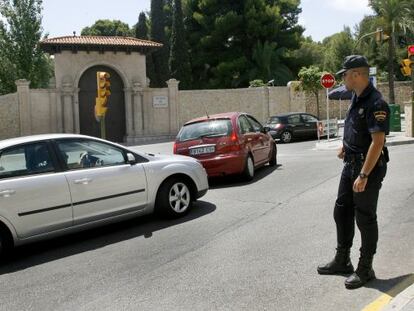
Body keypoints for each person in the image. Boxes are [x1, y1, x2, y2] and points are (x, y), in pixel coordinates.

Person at [317, 55, 390, 289]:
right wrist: (345, 146)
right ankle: (342, 260)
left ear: (357, 74)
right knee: (342, 211)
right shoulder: (356, 98)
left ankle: (365, 268)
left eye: (345, 74)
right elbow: (358, 131)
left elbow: (377, 142)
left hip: (366, 169)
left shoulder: (376, 103)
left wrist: (364, 175)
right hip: (350, 164)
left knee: (365, 218)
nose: (343, 78)